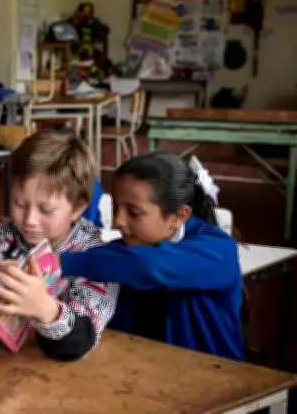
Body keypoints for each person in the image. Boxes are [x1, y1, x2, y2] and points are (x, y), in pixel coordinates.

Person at [58, 152, 245, 360]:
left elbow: (147, 266)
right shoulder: (121, 252)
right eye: (115, 207)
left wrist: (60, 263)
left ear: (178, 216)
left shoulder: (218, 250)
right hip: (146, 371)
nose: (118, 221)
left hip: (214, 377)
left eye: (134, 212)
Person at [0, 131, 119, 361]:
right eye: (19, 203)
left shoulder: (96, 256)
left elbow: (80, 343)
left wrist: (46, 310)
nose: (29, 220)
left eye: (46, 210)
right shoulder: (4, 235)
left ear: (77, 208)